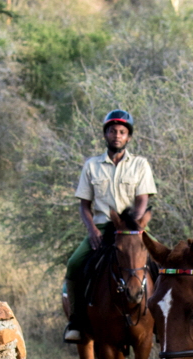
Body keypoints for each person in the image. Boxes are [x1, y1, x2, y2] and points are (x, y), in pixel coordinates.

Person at [64, 109, 157, 343]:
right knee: (74, 264)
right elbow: (84, 205)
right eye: (113, 131)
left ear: (129, 137)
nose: (117, 135)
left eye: (122, 132)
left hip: (132, 229)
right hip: (103, 228)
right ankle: (76, 320)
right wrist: (92, 230)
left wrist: (132, 226)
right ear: (105, 135)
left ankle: (161, 320)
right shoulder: (92, 165)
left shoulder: (139, 164)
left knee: (161, 262)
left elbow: (143, 199)